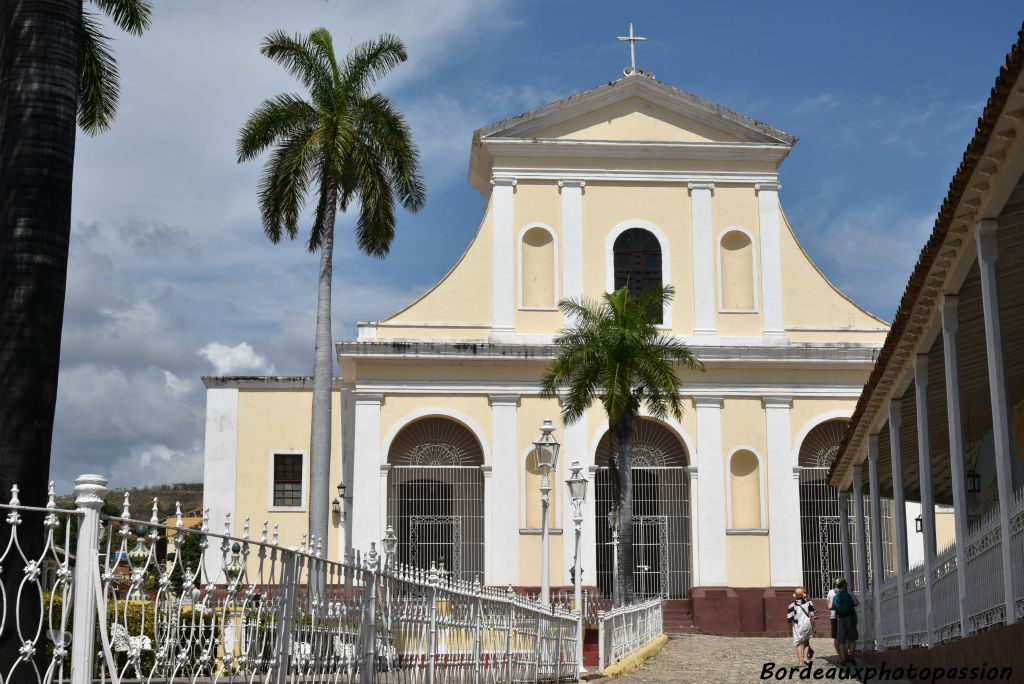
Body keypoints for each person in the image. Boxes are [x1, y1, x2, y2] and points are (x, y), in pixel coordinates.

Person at [829, 577, 860, 665]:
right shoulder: (848, 595)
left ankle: (843, 659)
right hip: (850, 619)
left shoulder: (835, 596)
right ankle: (851, 656)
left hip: (840, 619)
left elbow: (831, 607)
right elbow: (856, 603)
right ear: (845, 584)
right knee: (852, 639)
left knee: (841, 641)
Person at [787, 586, 816, 665]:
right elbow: (813, 613)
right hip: (807, 624)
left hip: (797, 625)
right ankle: (805, 657)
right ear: (804, 595)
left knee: (798, 643)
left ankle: (800, 662)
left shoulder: (792, 605)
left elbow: (789, 618)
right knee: (806, 641)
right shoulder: (809, 603)